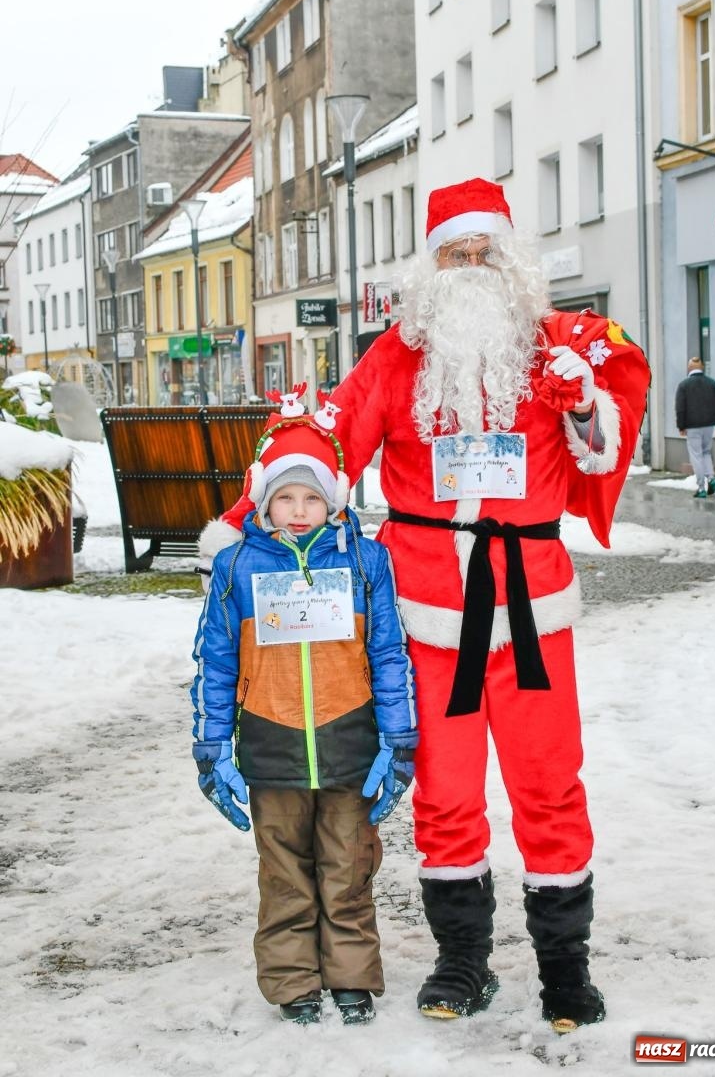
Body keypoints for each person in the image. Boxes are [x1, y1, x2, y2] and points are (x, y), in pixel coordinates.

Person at [201, 177, 650, 1034]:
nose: (472, 265)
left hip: (531, 608)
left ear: (511, 260)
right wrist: (240, 531)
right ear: (430, 265)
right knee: (444, 793)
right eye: (455, 252)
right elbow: (323, 448)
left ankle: (565, 968)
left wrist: (584, 402)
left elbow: (600, 454)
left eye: (486, 251)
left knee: (550, 784)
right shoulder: (396, 357)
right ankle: (462, 960)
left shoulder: (557, 349)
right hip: (426, 614)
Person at [191, 403, 418, 1027]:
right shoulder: (237, 566)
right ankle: (293, 980)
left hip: (350, 740)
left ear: (333, 501)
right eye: (284, 497)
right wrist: (212, 746)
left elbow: (389, 651)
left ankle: (351, 976)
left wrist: (399, 737)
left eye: (311, 497)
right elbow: (215, 660)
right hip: (271, 742)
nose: (297, 509)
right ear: (263, 502)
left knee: (349, 866)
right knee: (285, 872)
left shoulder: (364, 562)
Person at [675, 357, 715, 499]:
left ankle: (701, 487)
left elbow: (680, 408)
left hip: (692, 427)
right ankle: (711, 478)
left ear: (689, 368)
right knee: (706, 452)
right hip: (709, 425)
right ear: (702, 367)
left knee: (696, 455)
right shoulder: (713, 384)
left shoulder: (684, 385)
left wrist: (681, 426)